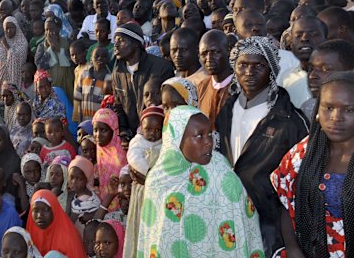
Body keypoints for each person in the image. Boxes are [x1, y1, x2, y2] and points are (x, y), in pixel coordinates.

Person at [215, 36, 309, 256]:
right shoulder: (226, 110)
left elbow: (298, 182)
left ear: (272, 70)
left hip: (270, 224)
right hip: (229, 216)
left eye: (260, 65)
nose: (250, 72)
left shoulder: (289, 120)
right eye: (243, 65)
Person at [137, 105, 264, 257]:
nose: (208, 142)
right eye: (199, 136)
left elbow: (243, 222)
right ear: (176, 139)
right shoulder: (157, 181)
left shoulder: (221, 174)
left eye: (209, 134)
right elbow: (152, 236)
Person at [271, 71, 354, 257]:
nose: (336, 117)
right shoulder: (302, 153)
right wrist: (293, 249)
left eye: (349, 110)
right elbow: (286, 203)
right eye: (328, 108)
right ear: (317, 111)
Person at [112, 22, 172, 147]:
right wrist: (124, 132)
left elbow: (168, 107)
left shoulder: (161, 68)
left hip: (157, 138)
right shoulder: (118, 72)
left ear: (136, 44)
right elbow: (118, 105)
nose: (116, 45)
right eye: (115, 41)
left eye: (121, 40)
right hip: (133, 140)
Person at [124, 106, 163, 258]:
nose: (153, 134)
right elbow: (134, 159)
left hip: (158, 193)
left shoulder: (164, 143)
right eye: (148, 129)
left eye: (157, 130)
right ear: (142, 128)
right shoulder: (138, 141)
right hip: (142, 193)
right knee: (141, 225)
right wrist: (148, 174)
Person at [27, 189, 87, 257]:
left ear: (54, 210)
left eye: (45, 210)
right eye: (35, 210)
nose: (39, 215)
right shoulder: (30, 233)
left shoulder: (68, 238)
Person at [0, 17, 28, 105]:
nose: (9, 31)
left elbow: (16, 57)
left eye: (11, 28)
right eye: (6, 28)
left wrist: (6, 46)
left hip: (14, 80)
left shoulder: (22, 43)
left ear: (16, 27)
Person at [91, 108, 127, 211]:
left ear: (114, 130)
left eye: (103, 130)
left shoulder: (122, 152)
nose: (98, 135)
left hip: (122, 207)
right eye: (95, 130)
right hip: (103, 203)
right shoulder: (98, 149)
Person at [196, 30, 233, 128]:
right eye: (204, 54)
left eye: (215, 52)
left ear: (228, 51)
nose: (209, 58)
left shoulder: (240, 86)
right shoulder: (202, 86)